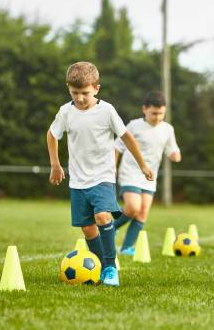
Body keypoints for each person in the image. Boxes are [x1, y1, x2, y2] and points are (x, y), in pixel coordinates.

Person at [47, 61, 153, 287]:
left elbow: (126, 137)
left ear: (96, 88)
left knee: (103, 217)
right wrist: (55, 164)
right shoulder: (65, 112)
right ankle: (97, 266)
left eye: (85, 93)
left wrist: (143, 165)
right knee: (87, 228)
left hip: (103, 176)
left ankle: (110, 269)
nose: (80, 98)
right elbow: (52, 134)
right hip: (77, 180)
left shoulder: (107, 111)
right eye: (75, 92)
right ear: (68, 88)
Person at [114, 91, 181, 255]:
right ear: (144, 109)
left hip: (150, 177)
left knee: (142, 212)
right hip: (130, 172)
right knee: (132, 207)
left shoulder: (167, 129)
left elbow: (173, 149)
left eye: (161, 114)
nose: (157, 117)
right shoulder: (133, 125)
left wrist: (174, 155)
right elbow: (117, 147)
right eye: (154, 113)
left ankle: (127, 247)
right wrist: (112, 168)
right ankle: (110, 228)